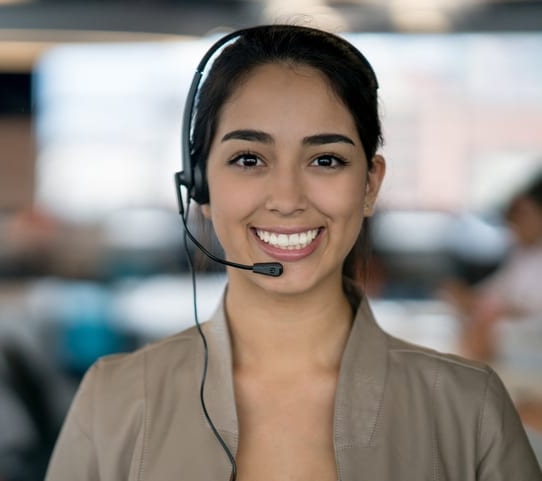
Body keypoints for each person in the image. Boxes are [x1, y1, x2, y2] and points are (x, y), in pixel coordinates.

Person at [44, 25, 541, 480]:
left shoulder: (468, 408)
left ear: (369, 186)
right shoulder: (115, 401)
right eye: (248, 159)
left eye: (325, 159)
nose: (286, 198)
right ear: (200, 187)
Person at [445, 172, 542, 362]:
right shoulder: (522, 254)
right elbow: (493, 293)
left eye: (524, 215)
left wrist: (497, 314)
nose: (515, 226)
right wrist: (467, 298)